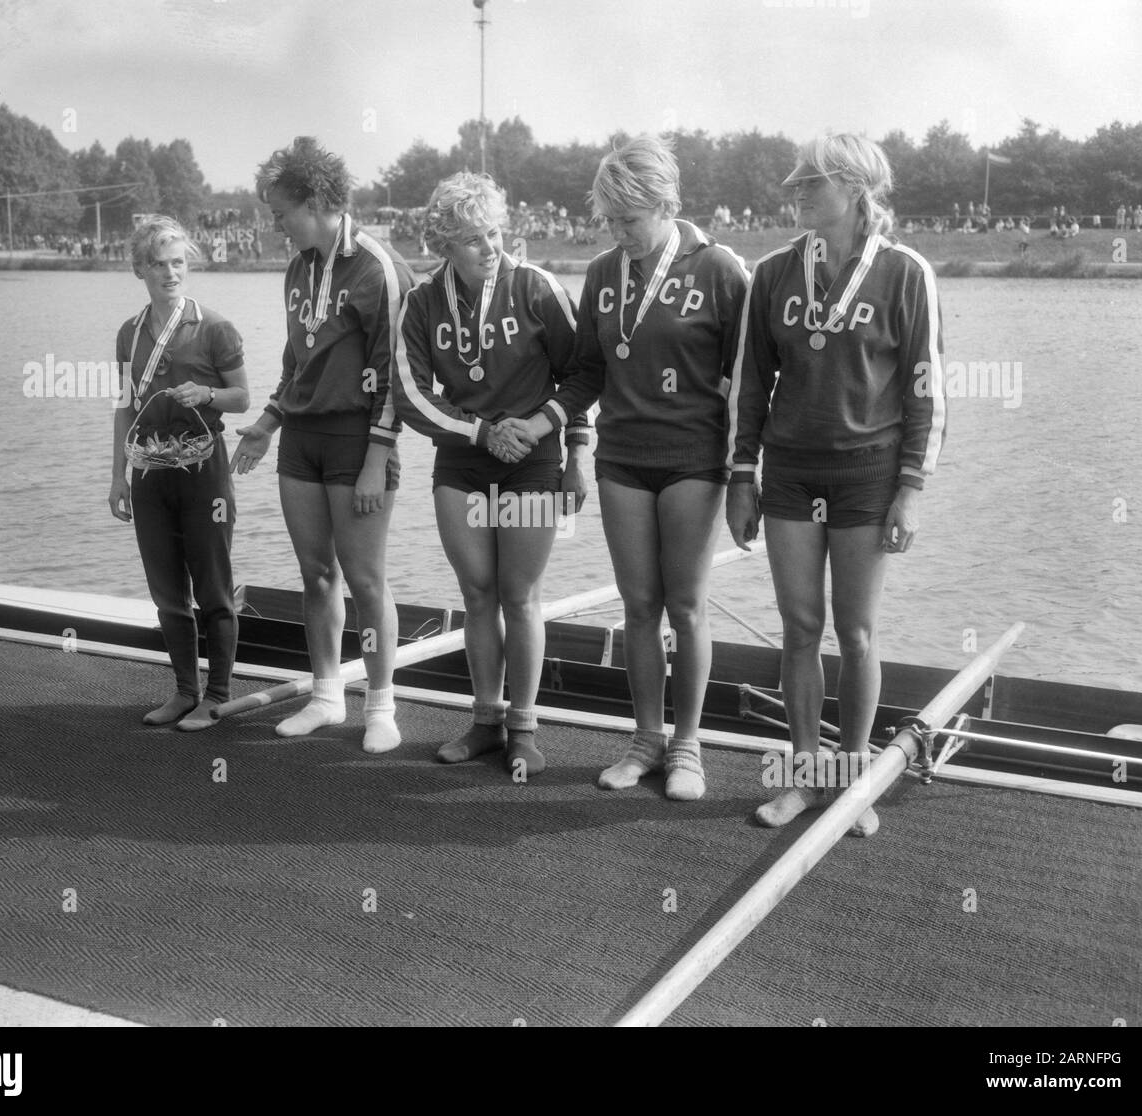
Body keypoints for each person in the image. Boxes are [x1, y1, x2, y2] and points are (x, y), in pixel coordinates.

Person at [502, 135, 750, 801]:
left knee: (688, 605)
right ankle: (645, 740)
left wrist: (747, 470)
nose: (618, 233)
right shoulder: (605, 273)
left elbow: (750, 378)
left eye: (629, 220)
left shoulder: (721, 269)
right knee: (640, 607)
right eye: (608, 220)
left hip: (694, 458)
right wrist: (545, 423)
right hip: (623, 460)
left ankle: (689, 746)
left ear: (665, 205)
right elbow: (587, 371)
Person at [726, 132, 946, 837]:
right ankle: (806, 775)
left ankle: (850, 778)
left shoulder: (906, 273)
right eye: (794, 182)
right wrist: (741, 475)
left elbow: (927, 394)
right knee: (799, 629)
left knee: (854, 631)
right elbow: (750, 384)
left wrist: (911, 488)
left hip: (868, 475)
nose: (795, 192)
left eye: (809, 182)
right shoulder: (773, 272)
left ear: (853, 189)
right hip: (790, 472)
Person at [393, 172, 591, 778]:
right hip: (463, 461)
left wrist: (574, 448)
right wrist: (480, 431)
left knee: (520, 594)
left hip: (533, 462)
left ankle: (524, 728)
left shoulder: (538, 288)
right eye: (475, 238)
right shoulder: (422, 303)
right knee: (478, 593)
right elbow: (410, 395)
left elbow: (583, 376)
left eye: (497, 233)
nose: (492, 247)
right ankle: (484, 721)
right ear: (444, 244)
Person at [231, 137, 413, 752]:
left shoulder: (379, 267)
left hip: (359, 441)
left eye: (281, 212)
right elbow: (296, 362)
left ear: (315, 201)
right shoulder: (298, 267)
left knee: (366, 580)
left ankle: (382, 708)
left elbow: (398, 379)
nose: (275, 224)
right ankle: (326, 696)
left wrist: (376, 461)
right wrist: (266, 424)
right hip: (301, 442)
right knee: (315, 575)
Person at [109, 216, 251, 730]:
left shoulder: (214, 327)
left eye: (178, 263)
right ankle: (184, 691)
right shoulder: (129, 332)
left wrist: (207, 394)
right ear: (139, 269)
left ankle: (218, 693)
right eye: (158, 264)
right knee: (166, 589)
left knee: (213, 586)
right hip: (149, 469)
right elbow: (125, 407)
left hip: (202, 468)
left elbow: (242, 398)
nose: (170, 273)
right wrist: (117, 474)